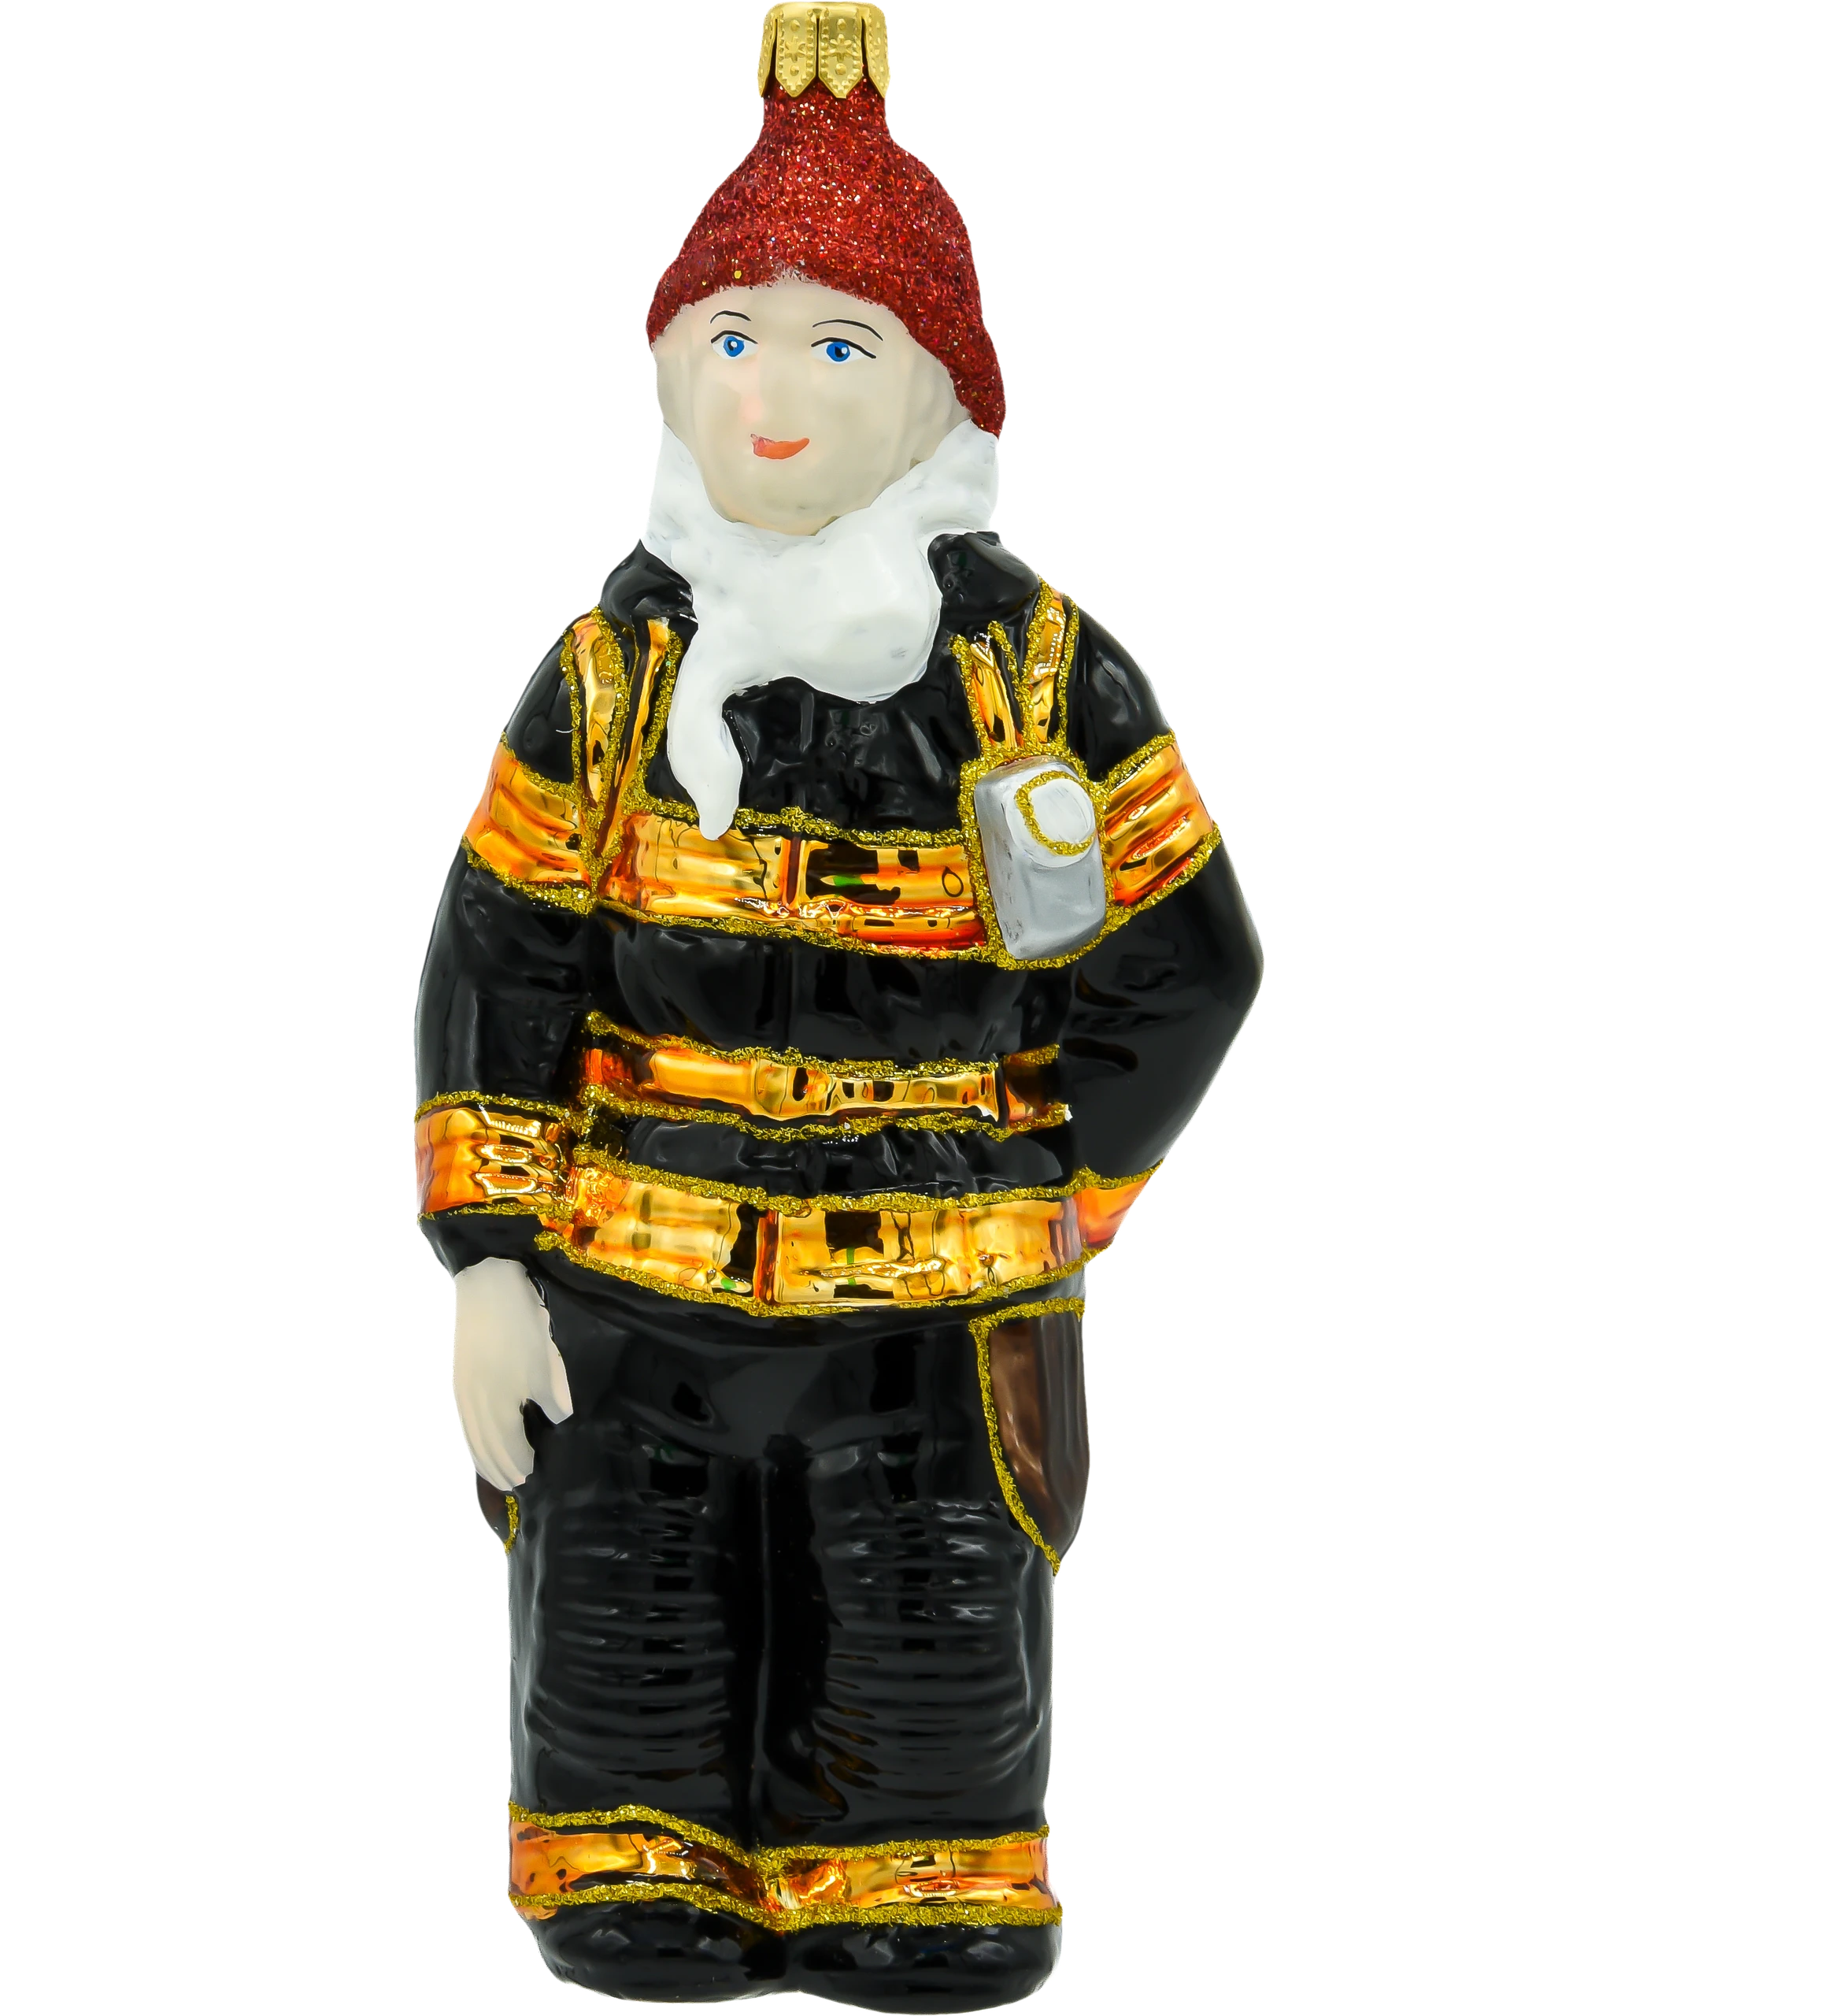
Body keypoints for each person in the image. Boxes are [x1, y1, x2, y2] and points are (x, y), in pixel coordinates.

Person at [413, 7, 1264, 2007]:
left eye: (835, 347)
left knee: (928, 1635)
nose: (774, 397)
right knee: (628, 1632)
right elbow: (500, 962)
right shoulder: (615, 669)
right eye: (732, 342)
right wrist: (488, 1260)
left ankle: (917, 1875)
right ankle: (643, 1863)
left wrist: (1065, 1184)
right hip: (636, 1298)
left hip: (930, 1318)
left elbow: (1189, 959)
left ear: (931, 391)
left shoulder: (1035, 671)